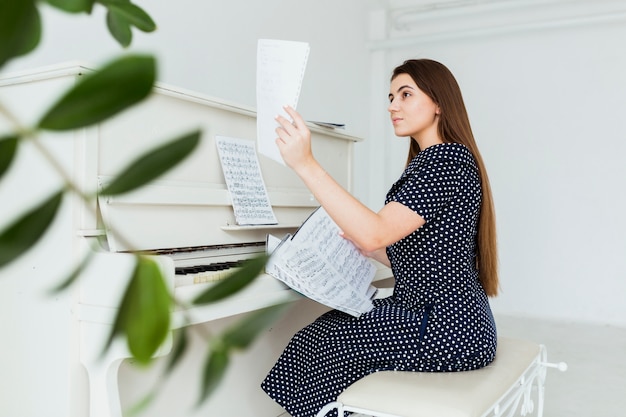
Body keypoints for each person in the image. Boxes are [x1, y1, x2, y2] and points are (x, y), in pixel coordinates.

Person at [261, 58, 499, 417]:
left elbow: (374, 232)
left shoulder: (446, 159)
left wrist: (305, 163)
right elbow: (429, 254)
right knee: (325, 330)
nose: (392, 105)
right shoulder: (435, 161)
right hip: (436, 316)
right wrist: (369, 251)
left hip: (446, 326)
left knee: (319, 344)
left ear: (439, 102)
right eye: (391, 96)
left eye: (406, 94)